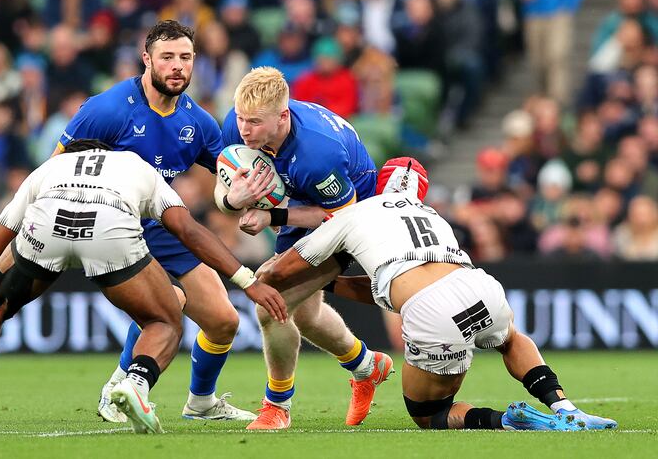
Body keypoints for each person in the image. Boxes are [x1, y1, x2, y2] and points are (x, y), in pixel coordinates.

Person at [0, 139, 286, 435]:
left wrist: (10, 274)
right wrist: (245, 280)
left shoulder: (51, 166)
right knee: (167, 316)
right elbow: (187, 230)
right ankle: (135, 384)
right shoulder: (135, 166)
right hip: (110, 228)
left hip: (46, 227)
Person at [257, 157, 618, 431]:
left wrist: (259, 268)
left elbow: (280, 271)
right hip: (478, 285)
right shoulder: (434, 216)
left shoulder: (356, 213)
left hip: (431, 309)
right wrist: (331, 284)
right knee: (509, 338)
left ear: (380, 183)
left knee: (429, 414)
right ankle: (565, 407)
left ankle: (507, 420)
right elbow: (396, 285)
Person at [55, 20, 267, 423]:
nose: (177, 66)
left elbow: (228, 185)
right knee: (172, 304)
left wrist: (238, 199)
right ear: (146, 59)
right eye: (167, 57)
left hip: (162, 226)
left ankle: (201, 403)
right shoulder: (106, 110)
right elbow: (54, 169)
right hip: (112, 228)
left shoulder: (200, 124)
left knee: (224, 322)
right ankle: (118, 388)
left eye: (185, 58)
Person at [216, 66, 390, 429]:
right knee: (305, 315)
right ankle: (367, 366)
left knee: (271, 299)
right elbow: (224, 188)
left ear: (282, 116)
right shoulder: (238, 128)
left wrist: (272, 217)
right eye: (241, 119)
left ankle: (276, 406)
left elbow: (342, 221)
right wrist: (234, 202)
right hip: (301, 205)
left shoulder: (316, 153)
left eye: (255, 122)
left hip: (354, 214)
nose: (244, 130)